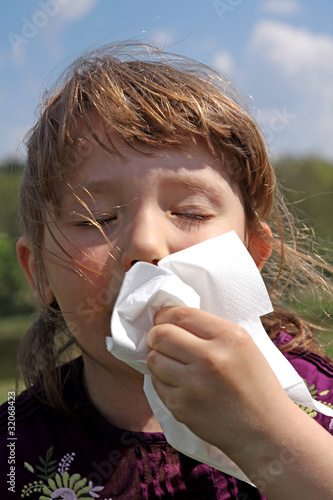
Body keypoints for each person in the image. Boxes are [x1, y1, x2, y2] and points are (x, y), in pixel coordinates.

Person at [1, 41, 333, 500]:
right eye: (94, 220)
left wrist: (271, 433)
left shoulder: (320, 401)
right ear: (38, 273)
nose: (144, 244)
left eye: (191, 212)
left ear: (252, 255)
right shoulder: (14, 450)